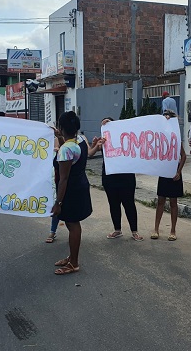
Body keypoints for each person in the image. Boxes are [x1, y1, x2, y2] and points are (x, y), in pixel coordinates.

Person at [51, 111, 93, 275]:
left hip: (71, 190)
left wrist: (58, 203)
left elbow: (63, 179)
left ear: (61, 127)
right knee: (72, 224)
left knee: (72, 225)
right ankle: (71, 256)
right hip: (80, 184)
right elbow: (68, 148)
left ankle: (74, 263)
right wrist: (60, 136)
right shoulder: (80, 139)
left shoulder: (65, 150)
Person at [88, 117, 142, 241]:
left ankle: (134, 231)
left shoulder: (126, 139)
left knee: (129, 204)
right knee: (113, 204)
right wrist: (96, 144)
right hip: (109, 177)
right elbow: (92, 152)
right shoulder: (104, 141)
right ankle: (117, 229)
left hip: (126, 177)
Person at [152, 111, 187, 241]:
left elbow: (183, 156)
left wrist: (179, 171)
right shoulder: (159, 136)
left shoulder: (176, 137)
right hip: (164, 172)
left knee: (173, 202)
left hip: (174, 173)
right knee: (160, 200)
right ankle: (155, 229)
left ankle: (173, 230)